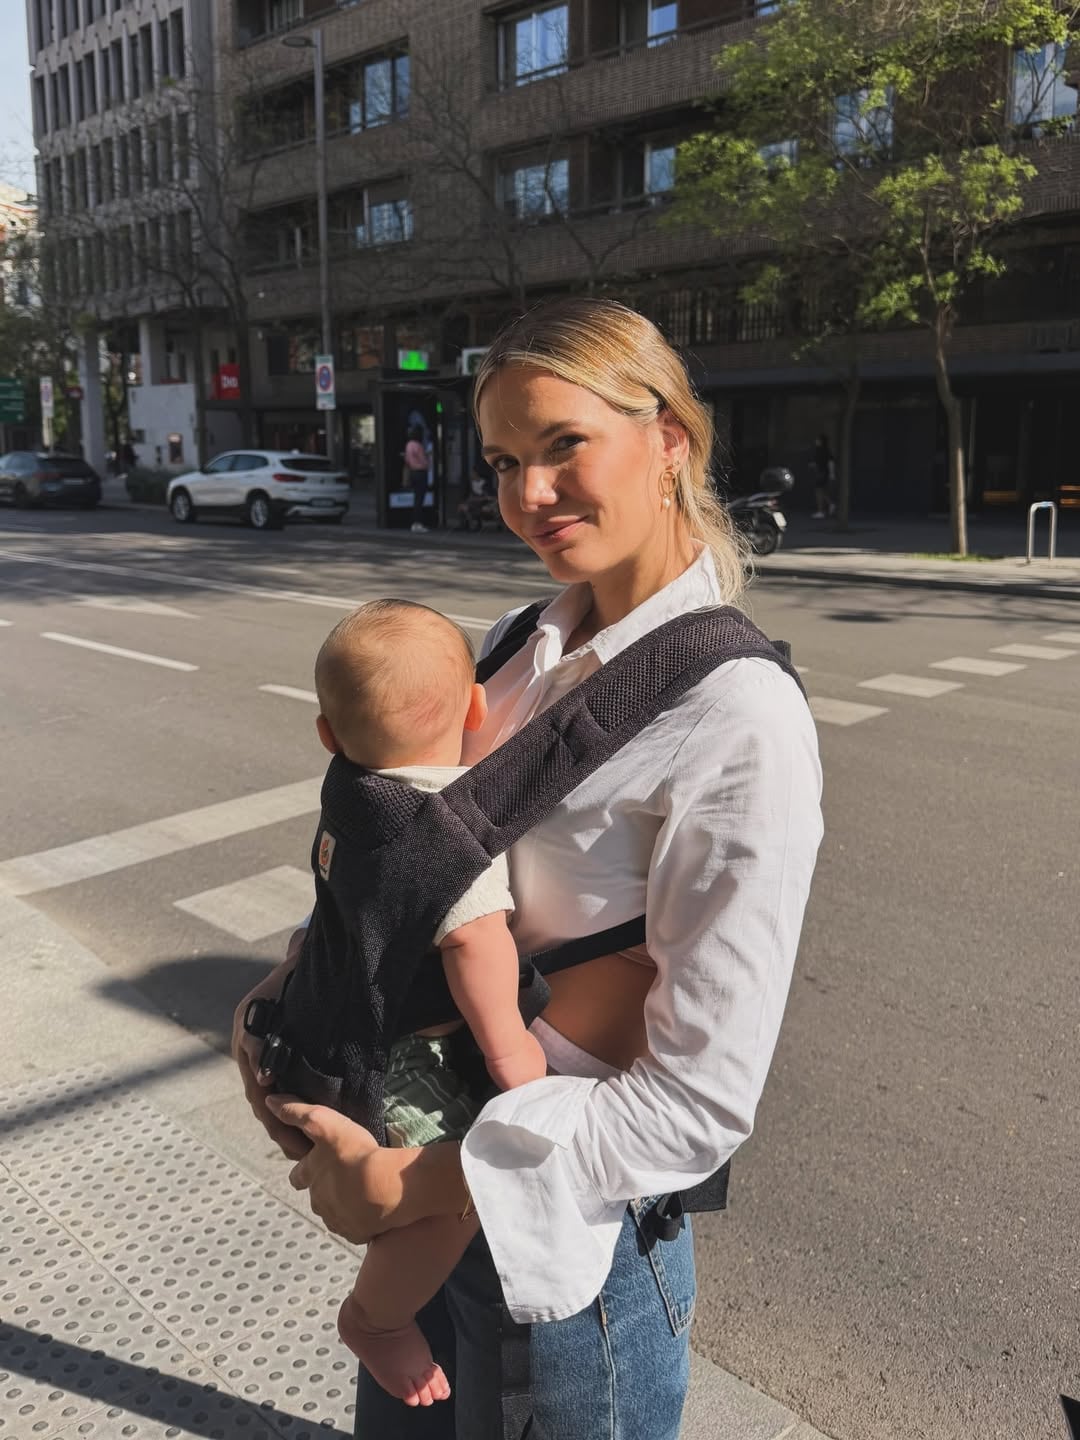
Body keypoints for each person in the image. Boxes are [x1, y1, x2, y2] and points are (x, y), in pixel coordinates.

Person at [234, 296, 824, 1440]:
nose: (529, 495)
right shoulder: (510, 643)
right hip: (436, 1235)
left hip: (571, 1265)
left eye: (564, 446)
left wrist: (422, 1186)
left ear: (669, 441)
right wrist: (276, 1001)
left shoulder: (738, 714)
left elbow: (700, 1106)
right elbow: (406, 864)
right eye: (505, 461)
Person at [308, 600, 547, 1406]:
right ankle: (376, 1317)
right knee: (449, 1201)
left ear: (328, 737)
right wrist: (511, 1047)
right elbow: (478, 946)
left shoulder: (351, 794)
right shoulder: (446, 837)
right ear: (478, 710)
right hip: (406, 1050)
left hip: (334, 1015)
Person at [405, 425, 431, 533]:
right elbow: (423, 461)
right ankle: (418, 523)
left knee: (416, 498)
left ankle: (414, 523)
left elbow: (407, 459)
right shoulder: (418, 445)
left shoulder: (409, 445)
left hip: (412, 472)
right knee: (420, 499)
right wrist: (428, 459)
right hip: (421, 472)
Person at [811, 433, 837, 519]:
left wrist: (831, 474)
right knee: (821, 491)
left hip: (822, 473)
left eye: (818, 440)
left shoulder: (822, 451)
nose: (816, 441)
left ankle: (821, 510)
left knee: (819, 491)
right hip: (823, 473)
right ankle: (830, 504)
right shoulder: (824, 450)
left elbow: (830, 462)